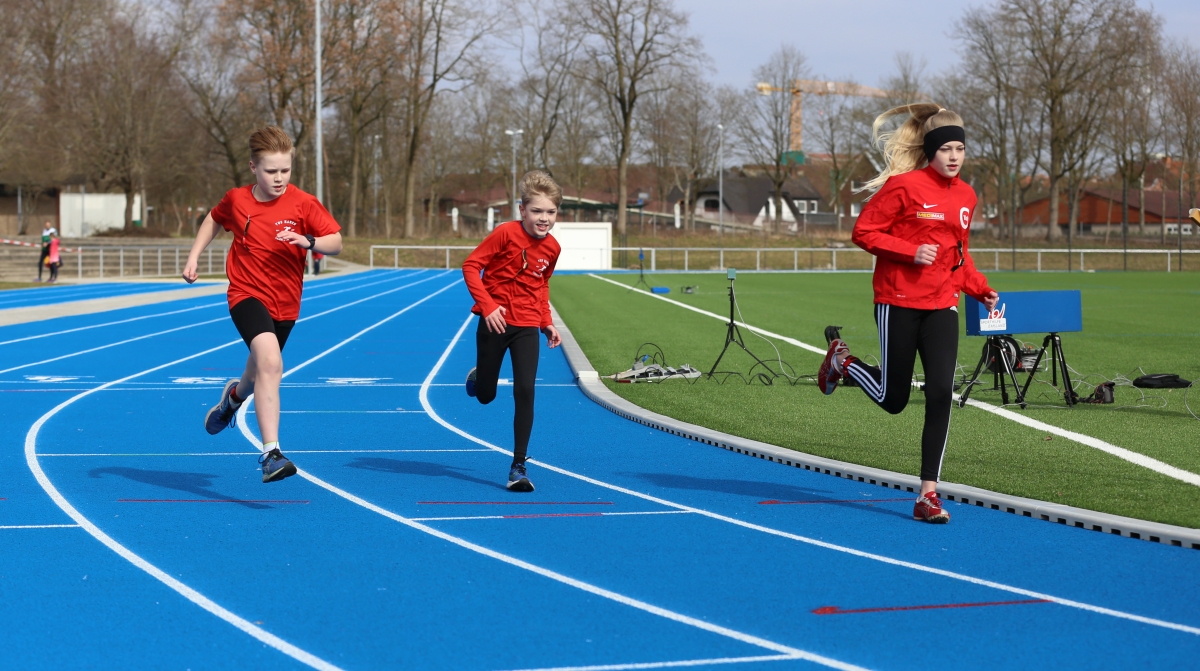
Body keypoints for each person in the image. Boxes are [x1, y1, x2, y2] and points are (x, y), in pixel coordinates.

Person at [817, 104, 999, 524]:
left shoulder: (968, 197)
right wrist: (910, 251)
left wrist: (980, 288)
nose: (954, 157)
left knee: (940, 394)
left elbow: (959, 257)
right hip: (897, 302)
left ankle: (928, 495)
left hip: (942, 307)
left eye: (960, 149)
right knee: (893, 398)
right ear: (931, 151)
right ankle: (842, 361)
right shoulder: (904, 186)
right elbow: (863, 231)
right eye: (946, 149)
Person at [182, 126, 343, 483]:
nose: (280, 178)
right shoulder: (238, 200)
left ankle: (233, 399)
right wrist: (194, 256)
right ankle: (271, 453)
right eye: (271, 171)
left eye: (285, 170)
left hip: (286, 303)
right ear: (253, 167)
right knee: (271, 364)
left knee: (257, 376)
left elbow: (336, 242)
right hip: (246, 294)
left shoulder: (303, 203)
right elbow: (213, 219)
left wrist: (308, 240)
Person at [461, 170, 562, 492]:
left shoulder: (553, 248)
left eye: (550, 212)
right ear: (522, 210)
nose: (543, 218)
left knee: (526, 391)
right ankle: (480, 377)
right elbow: (470, 266)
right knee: (487, 397)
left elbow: (541, 285)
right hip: (494, 323)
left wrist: (546, 321)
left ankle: (518, 466)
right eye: (537, 211)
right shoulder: (505, 234)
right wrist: (488, 306)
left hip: (527, 327)